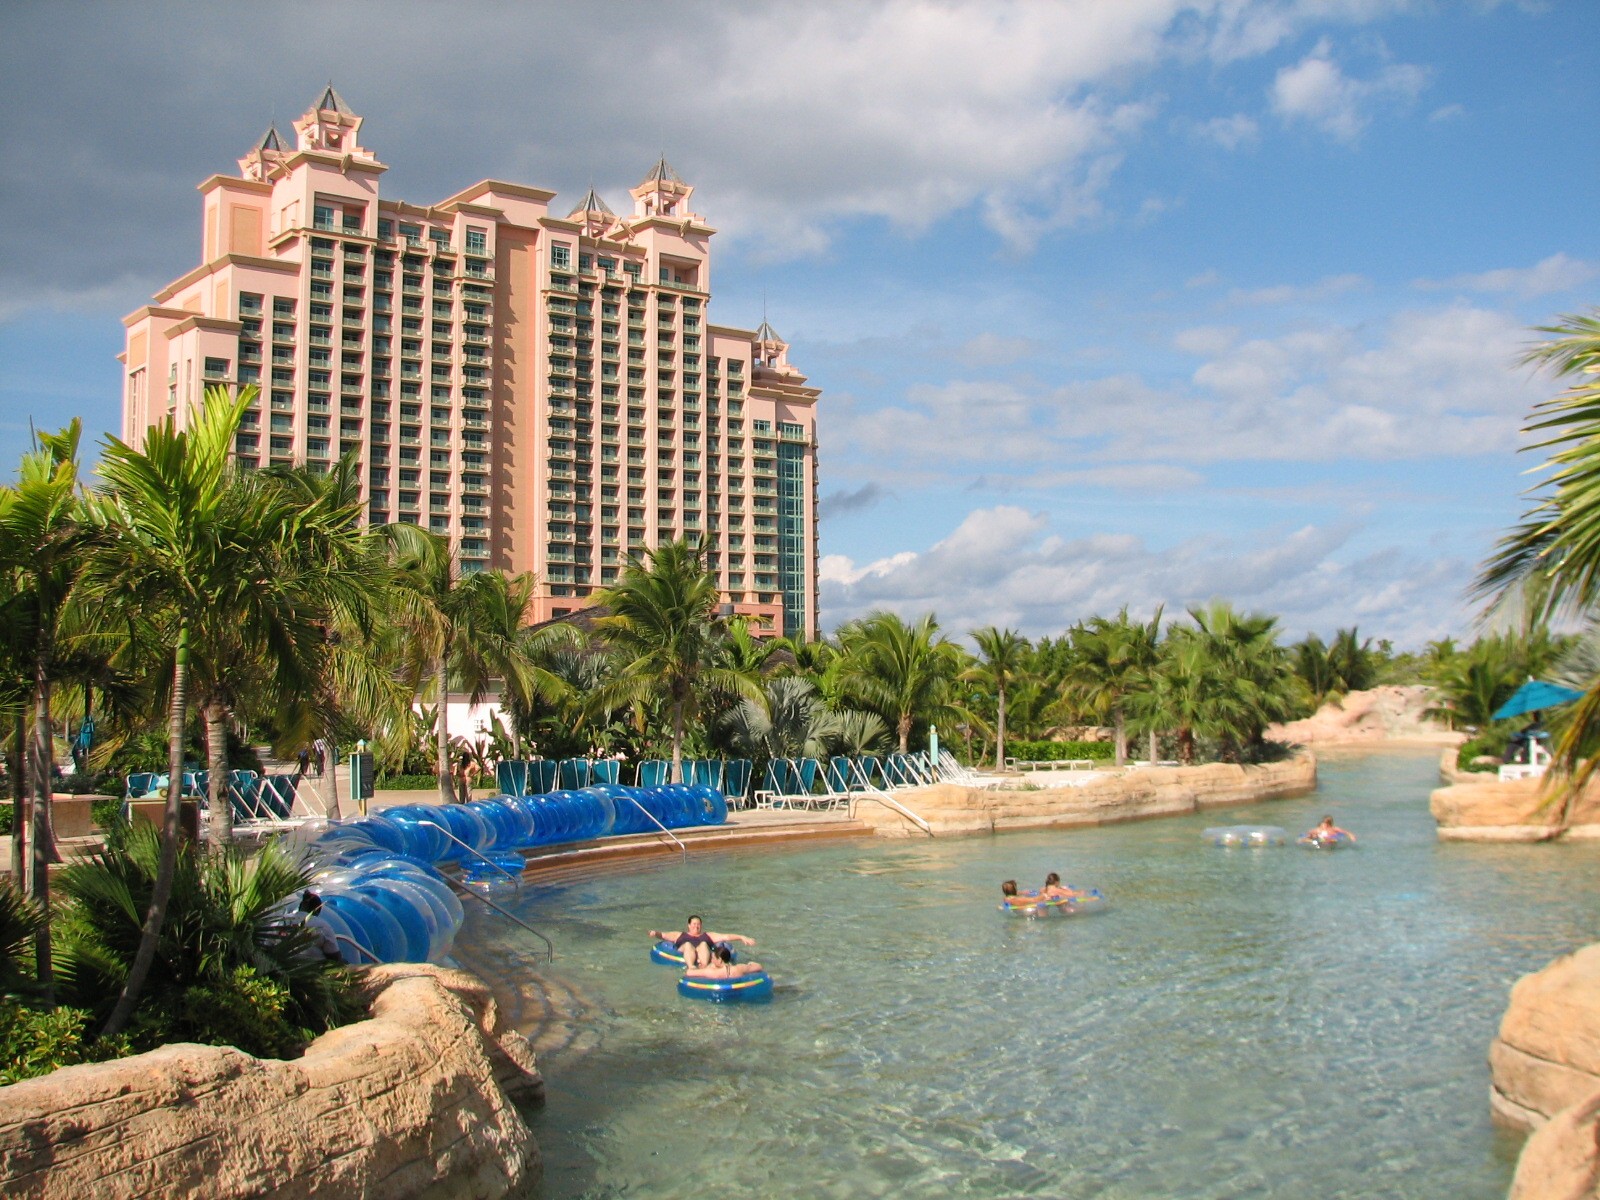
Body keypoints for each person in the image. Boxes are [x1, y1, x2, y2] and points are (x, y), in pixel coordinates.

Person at [648, 914, 756, 969]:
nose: (696, 926)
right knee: (688, 944)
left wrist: (742, 937)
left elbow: (726, 936)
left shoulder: (707, 935)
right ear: (689, 925)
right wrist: (655, 933)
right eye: (694, 924)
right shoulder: (680, 935)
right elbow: (663, 935)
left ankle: (704, 966)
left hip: (703, 952)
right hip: (684, 949)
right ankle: (691, 967)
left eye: (698, 924)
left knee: (704, 944)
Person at [684, 943, 765, 980]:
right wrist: (750, 963)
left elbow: (689, 973)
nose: (711, 960)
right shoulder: (739, 968)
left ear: (719, 959)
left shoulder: (712, 972)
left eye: (713, 958)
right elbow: (759, 966)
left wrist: (697, 967)